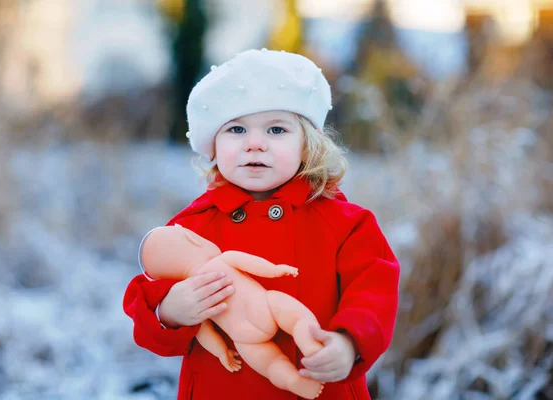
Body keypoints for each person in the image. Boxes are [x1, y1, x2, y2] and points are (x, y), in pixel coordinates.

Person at [123, 48, 400, 400]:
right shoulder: (192, 226)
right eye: (236, 129)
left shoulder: (345, 223)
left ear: (307, 144)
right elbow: (147, 297)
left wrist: (349, 343)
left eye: (276, 129)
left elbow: (374, 290)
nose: (255, 144)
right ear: (213, 145)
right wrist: (170, 310)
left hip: (320, 387)